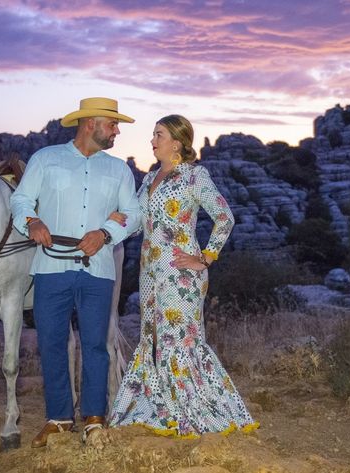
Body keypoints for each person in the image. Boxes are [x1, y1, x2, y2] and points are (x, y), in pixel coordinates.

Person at [108, 114, 258, 437]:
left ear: (176, 142)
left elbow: (224, 217)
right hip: (149, 274)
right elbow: (137, 224)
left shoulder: (194, 176)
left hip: (182, 277)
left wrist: (205, 257)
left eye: (158, 134)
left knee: (181, 341)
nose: (152, 141)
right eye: (153, 134)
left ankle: (194, 412)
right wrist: (115, 220)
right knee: (154, 339)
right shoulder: (149, 180)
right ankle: (161, 410)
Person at [10, 97, 141, 447]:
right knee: (51, 343)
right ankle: (59, 419)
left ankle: (95, 419)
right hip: (50, 267)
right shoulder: (45, 159)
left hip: (97, 270)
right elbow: (21, 200)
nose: (116, 131)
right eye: (111, 124)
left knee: (96, 345)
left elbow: (133, 212)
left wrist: (106, 234)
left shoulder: (118, 170)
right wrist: (32, 220)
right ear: (89, 124)